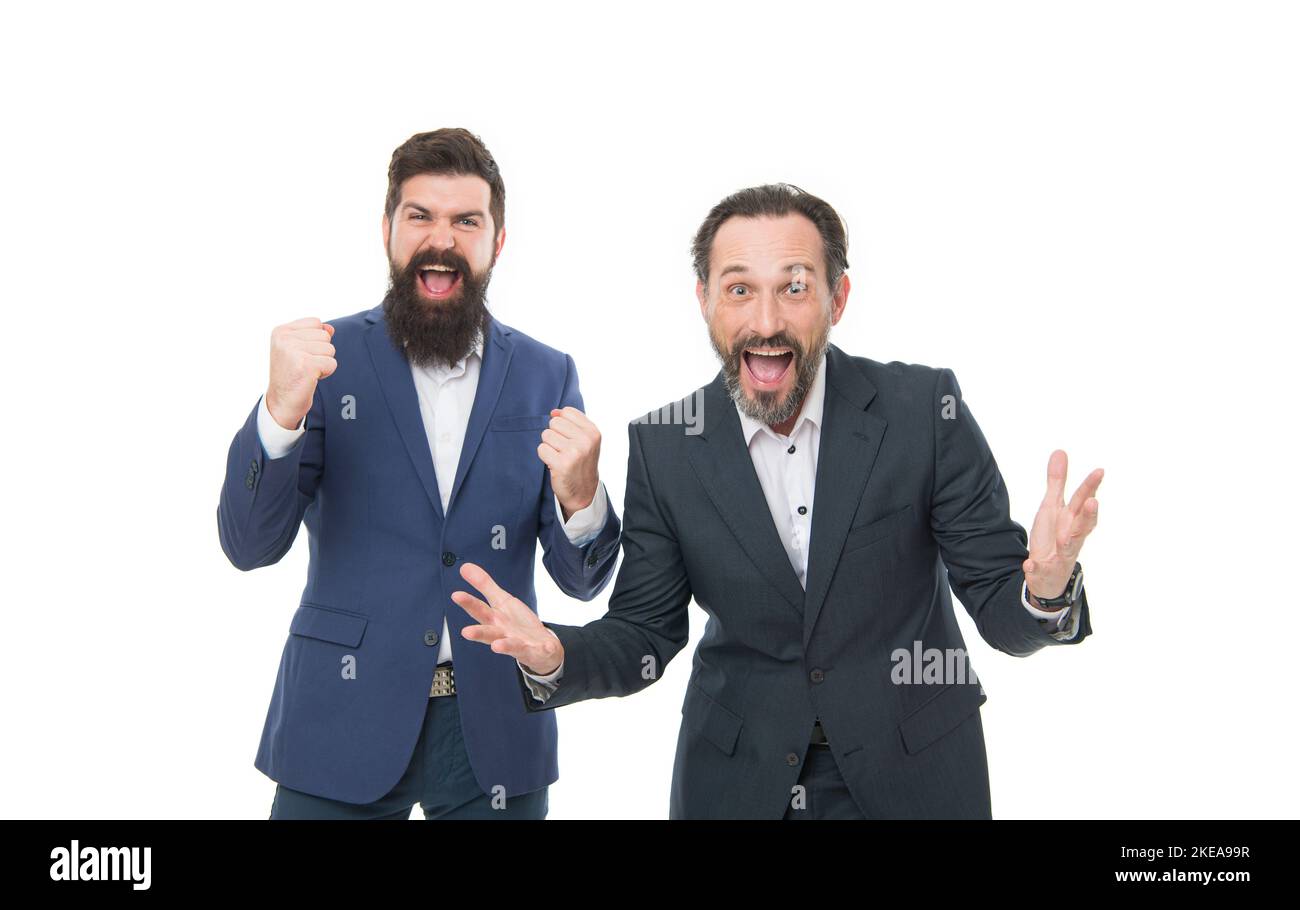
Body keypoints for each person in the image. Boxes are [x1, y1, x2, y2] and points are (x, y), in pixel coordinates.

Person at [451, 183, 1102, 819]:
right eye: (739, 289)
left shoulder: (923, 411)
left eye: (794, 287)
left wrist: (1044, 589)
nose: (765, 321)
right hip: (738, 780)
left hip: (916, 773)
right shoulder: (666, 445)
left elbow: (1001, 610)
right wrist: (557, 655)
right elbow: (645, 633)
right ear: (705, 300)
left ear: (837, 297)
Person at [216, 128, 620, 819]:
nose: (443, 239)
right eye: (420, 216)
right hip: (340, 719)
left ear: (498, 240)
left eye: (467, 221)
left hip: (495, 728)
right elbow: (250, 546)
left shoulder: (547, 373)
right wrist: (280, 412)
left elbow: (583, 583)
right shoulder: (325, 359)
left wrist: (582, 499)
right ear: (387, 230)